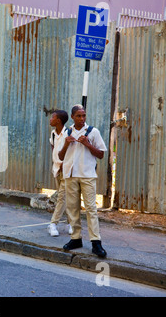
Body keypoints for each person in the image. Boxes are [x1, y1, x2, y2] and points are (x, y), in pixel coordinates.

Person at [58, 104, 107, 258]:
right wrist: (66, 143)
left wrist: (87, 144)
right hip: (71, 174)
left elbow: (101, 154)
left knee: (91, 208)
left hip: (87, 175)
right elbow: (60, 156)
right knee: (72, 207)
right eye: (78, 116)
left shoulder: (93, 132)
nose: (81, 118)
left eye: (84, 115)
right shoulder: (66, 132)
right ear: (72, 117)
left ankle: (96, 242)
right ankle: (76, 238)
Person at [47, 110, 72, 237]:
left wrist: (64, 163)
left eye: (53, 117)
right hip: (57, 169)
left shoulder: (68, 133)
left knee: (61, 197)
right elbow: (53, 147)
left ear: (58, 121)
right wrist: (56, 161)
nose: (50, 119)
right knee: (64, 198)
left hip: (66, 171)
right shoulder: (53, 134)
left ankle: (53, 224)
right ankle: (70, 223)